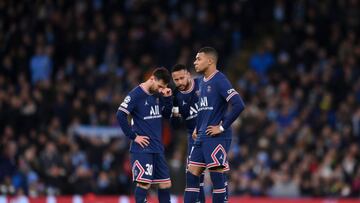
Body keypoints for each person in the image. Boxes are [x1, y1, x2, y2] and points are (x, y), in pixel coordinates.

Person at [184, 47, 245, 203]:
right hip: (202, 135)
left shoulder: (219, 79)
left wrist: (222, 127)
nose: (194, 62)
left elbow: (238, 104)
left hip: (215, 136)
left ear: (210, 61)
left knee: (217, 178)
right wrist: (198, 126)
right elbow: (204, 109)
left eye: (198, 59)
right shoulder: (203, 82)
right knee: (191, 176)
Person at [116, 67, 173, 203]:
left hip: (157, 147)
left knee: (165, 184)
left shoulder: (159, 94)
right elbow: (120, 115)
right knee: (144, 184)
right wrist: (134, 136)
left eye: (163, 87)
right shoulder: (136, 94)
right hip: (142, 148)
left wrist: (167, 98)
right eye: (159, 86)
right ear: (152, 78)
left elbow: (166, 115)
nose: (160, 89)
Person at [170, 64, 205, 203]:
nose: (179, 82)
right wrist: (174, 110)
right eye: (176, 79)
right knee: (194, 176)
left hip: (210, 134)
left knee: (218, 174)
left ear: (189, 75)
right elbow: (176, 126)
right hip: (193, 137)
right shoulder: (176, 96)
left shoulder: (202, 84)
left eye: (182, 78)